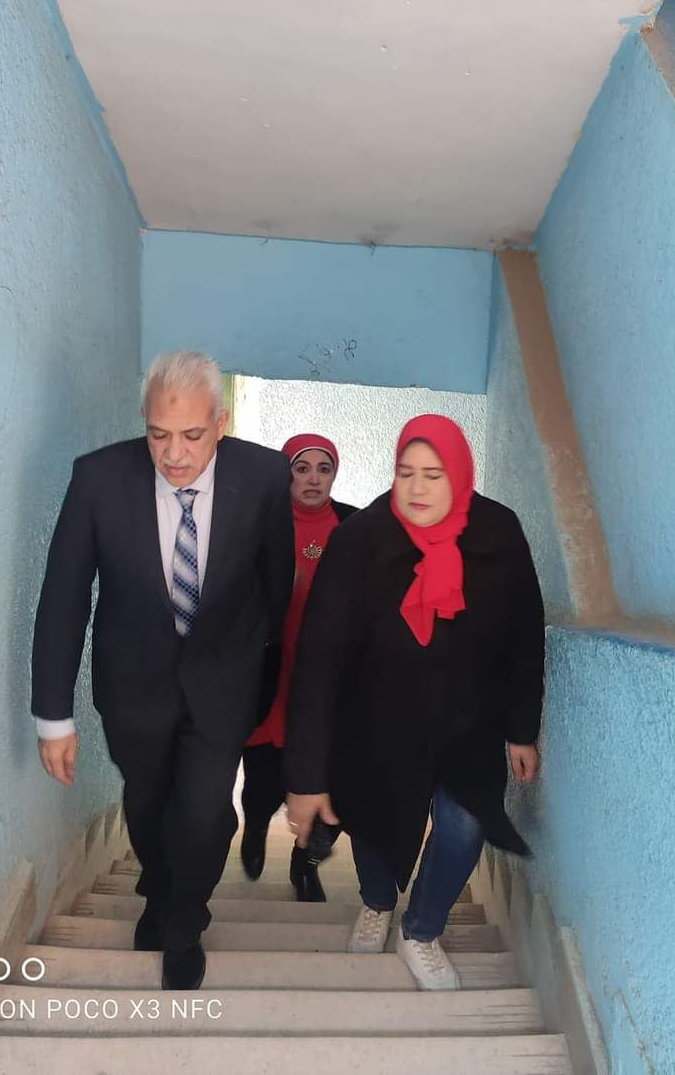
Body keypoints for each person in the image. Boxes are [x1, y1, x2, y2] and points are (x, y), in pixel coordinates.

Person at [31, 351, 293, 992]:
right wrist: (53, 716)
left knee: (205, 812)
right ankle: (162, 891)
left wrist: (258, 678)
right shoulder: (97, 480)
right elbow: (64, 596)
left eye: (192, 435)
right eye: (158, 434)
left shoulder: (263, 477)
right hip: (132, 687)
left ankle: (183, 923)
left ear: (221, 424)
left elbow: (275, 585)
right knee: (148, 805)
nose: (174, 454)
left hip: (223, 683)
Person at [284, 414, 544, 991]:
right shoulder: (360, 539)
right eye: (406, 473)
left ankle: (422, 928)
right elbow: (320, 659)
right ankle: (377, 903)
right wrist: (306, 773)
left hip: (469, 722)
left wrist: (521, 729)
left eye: (434, 474)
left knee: (464, 828)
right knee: (374, 824)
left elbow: (525, 635)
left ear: (460, 473)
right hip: (376, 721)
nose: (418, 488)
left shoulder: (498, 532)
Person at [240, 434, 357, 901]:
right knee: (264, 783)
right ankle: (253, 828)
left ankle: (305, 863)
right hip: (270, 673)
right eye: (301, 468)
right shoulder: (261, 524)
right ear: (285, 474)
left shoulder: (354, 526)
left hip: (330, 682)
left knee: (334, 788)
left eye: (323, 469)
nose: (313, 479)